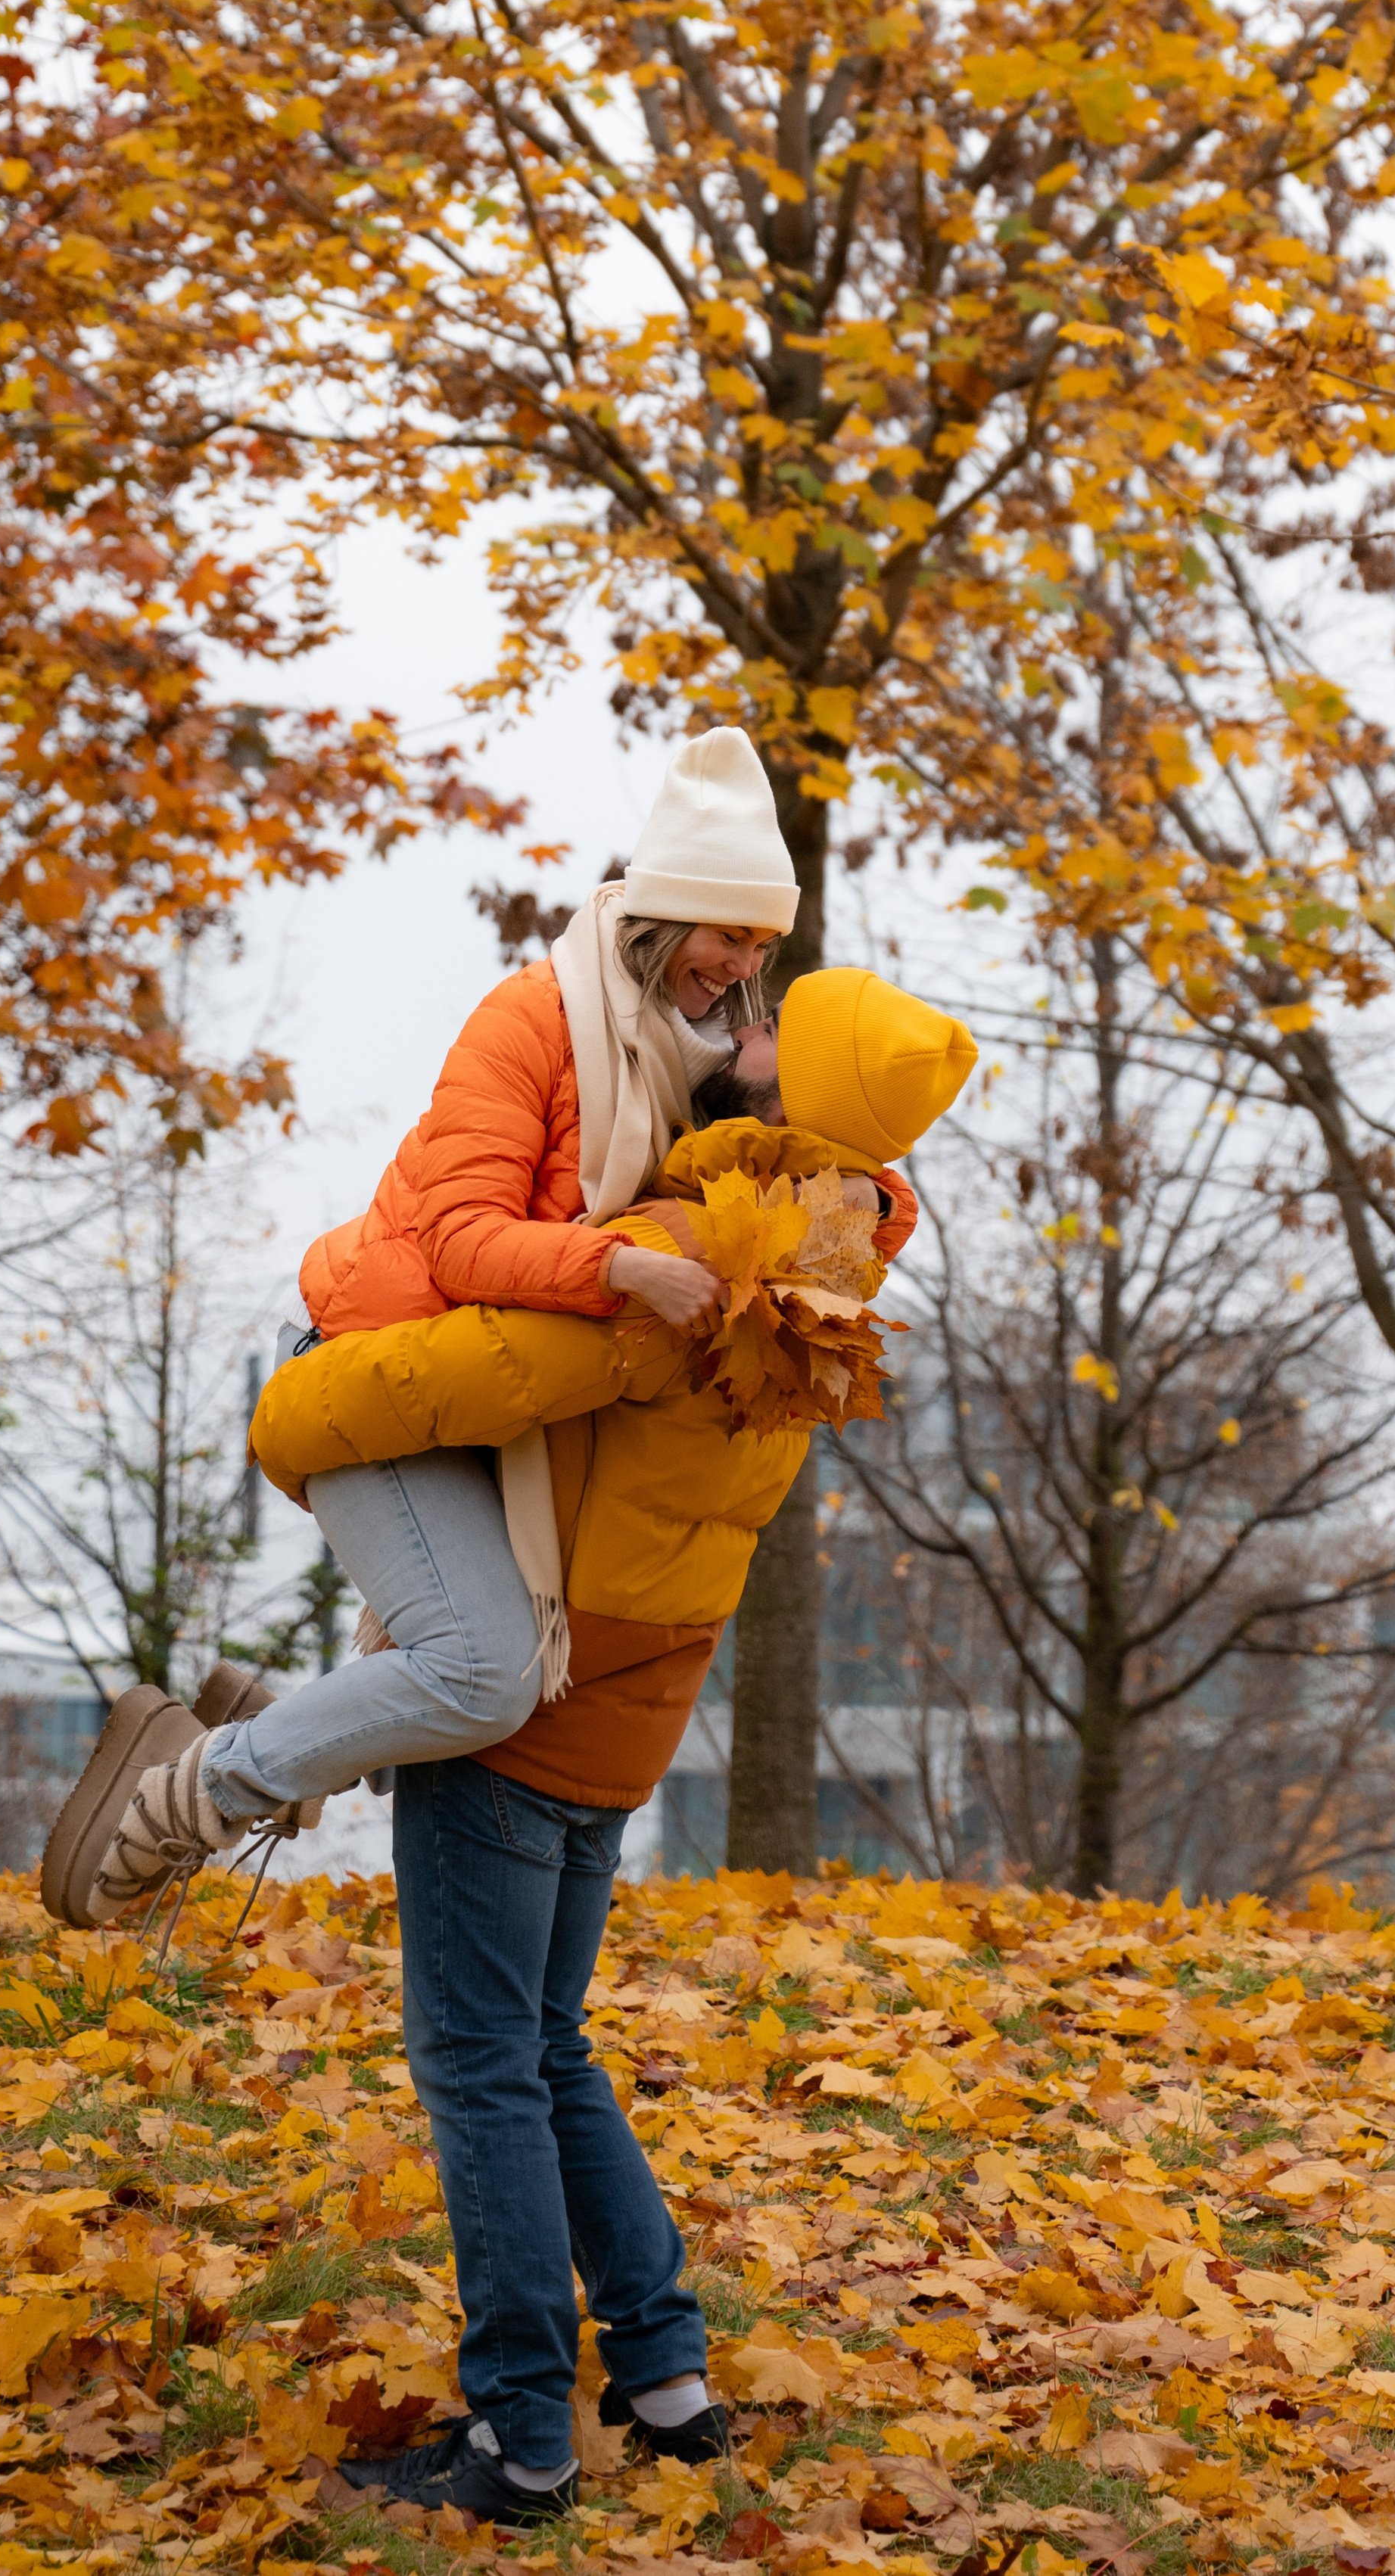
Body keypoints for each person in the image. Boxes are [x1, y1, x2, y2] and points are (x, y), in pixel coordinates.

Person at [222, 967, 975, 2525]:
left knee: (477, 2069)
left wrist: (298, 1385)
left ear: (788, 1087)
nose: (733, 1026)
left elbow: (439, 1376)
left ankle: (517, 2439)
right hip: (630, 1716)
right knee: (548, 2048)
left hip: (526, 1710)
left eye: (766, 1026)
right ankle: (665, 2382)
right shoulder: (833, 1274)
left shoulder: (678, 1261)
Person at [41, 732, 914, 1930]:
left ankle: (252, 1736)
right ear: (666, 913)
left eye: (763, 945)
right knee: (486, 1674)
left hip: (491, 1406)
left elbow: (797, 1180)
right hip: (379, 1374)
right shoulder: (531, 1019)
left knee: (464, 1700)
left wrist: (873, 1193)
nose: (743, 966)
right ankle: (194, 1791)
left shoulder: (696, 1069)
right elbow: (458, 1239)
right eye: (728, 935)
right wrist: (620, 1269)